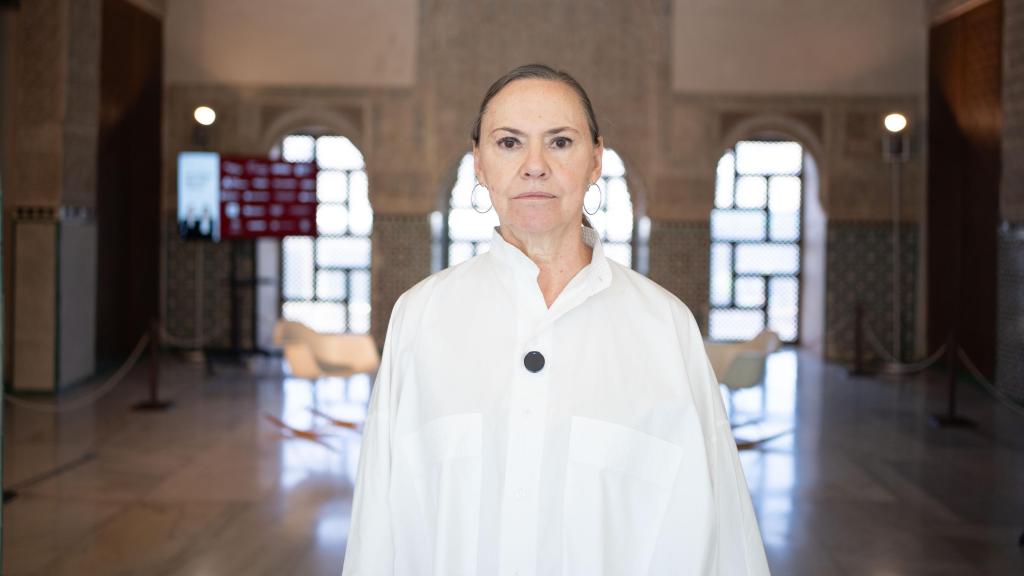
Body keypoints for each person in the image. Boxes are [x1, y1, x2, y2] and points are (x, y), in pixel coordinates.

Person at [343, 64, 770, 575]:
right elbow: (378, 528)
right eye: (508, 143)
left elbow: (725, 538)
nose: (534, 166)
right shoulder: (420, 317)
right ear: (478, 164)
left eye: (561, 142)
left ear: (595, 161)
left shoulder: (664, 327)